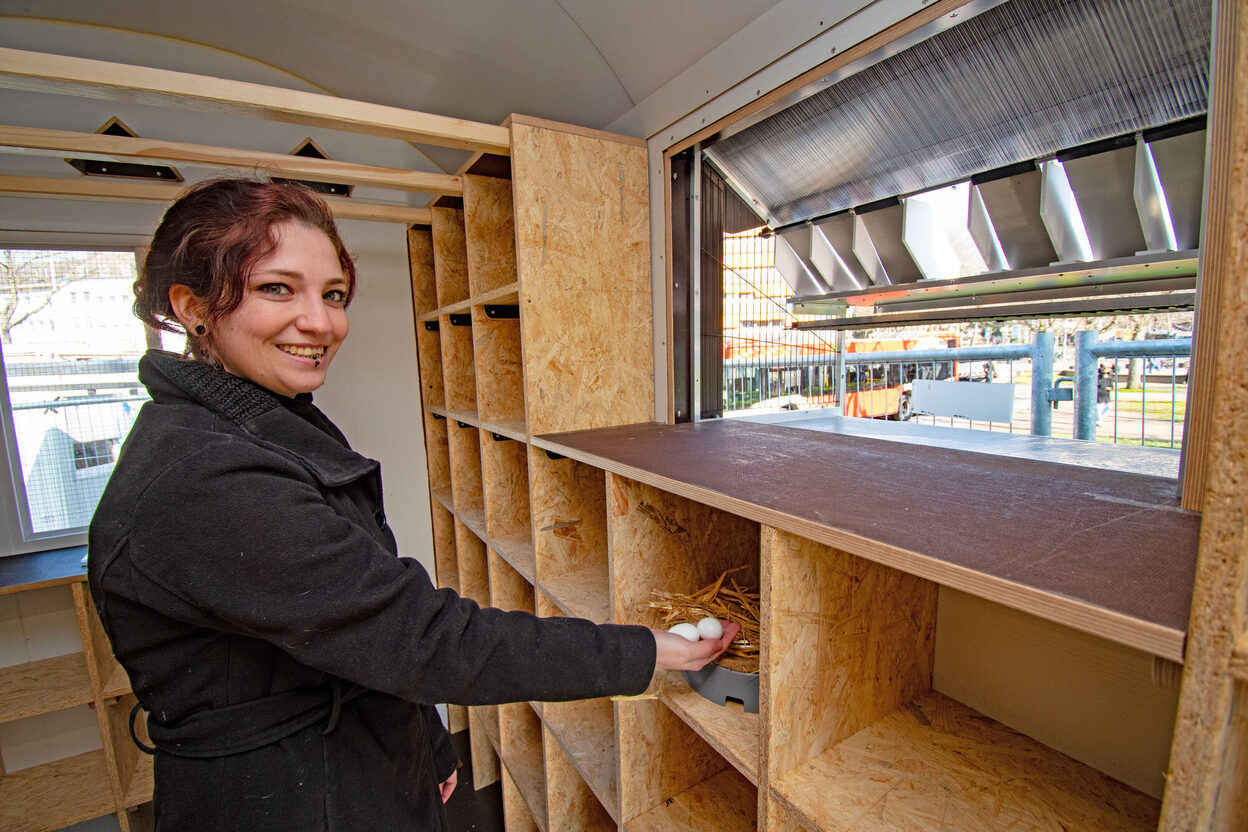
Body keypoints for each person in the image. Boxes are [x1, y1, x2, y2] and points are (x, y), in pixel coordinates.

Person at [87, 178, 738, 832]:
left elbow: (359, 626)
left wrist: (423, 742)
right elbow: (425, 637)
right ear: (193, 307)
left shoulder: (266, 424)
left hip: (351, 761)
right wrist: (654, 653)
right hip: (286, 798)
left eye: (333, 294)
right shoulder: (206, 476)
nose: (321, 322)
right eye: (277, 288)